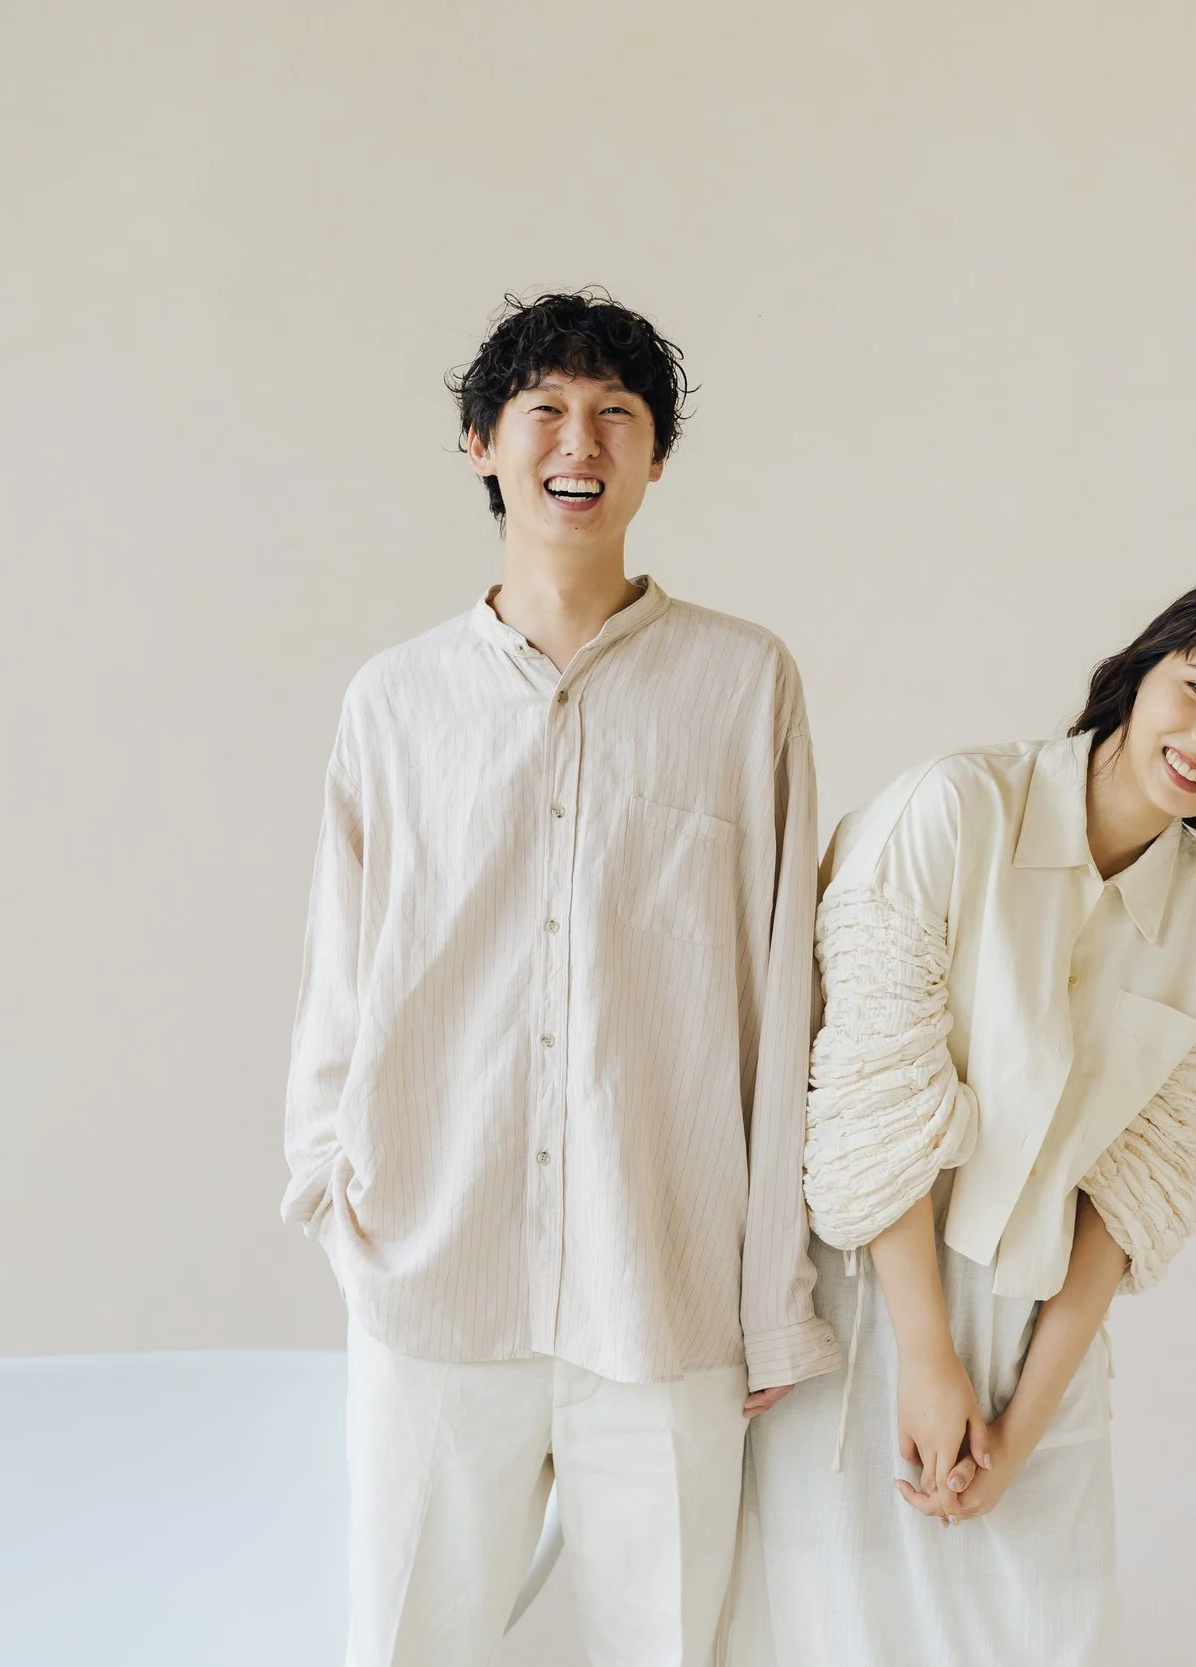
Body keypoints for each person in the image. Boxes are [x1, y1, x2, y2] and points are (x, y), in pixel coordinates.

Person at [282, 291, 840, 1667]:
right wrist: (331, 1195)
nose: (579, 442)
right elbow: (340, 974)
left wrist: (773, 1296)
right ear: (482, 442)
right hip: (435, 1280)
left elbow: (785, 997)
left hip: (663, 1291)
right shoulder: (394, 701)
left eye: (616, 414)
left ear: (657, 456)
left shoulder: (742, 685)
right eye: (545, 410)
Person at [727, 573, 1196, 1666]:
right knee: (840, 1638)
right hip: (868, 1303)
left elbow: (1138, 1188)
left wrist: (1021, 1429)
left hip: (1042, 1348)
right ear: (1141, 670)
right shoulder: (953, 809)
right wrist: (926, 1357)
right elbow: (869, 1096)